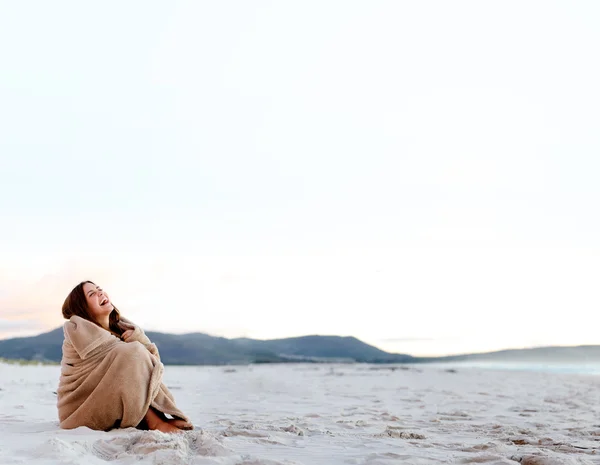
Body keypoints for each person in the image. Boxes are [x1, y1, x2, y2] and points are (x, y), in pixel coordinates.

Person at [57, 281, 192, 433]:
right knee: (130, 354)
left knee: (134, 356)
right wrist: (136, 344)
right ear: (82, 308)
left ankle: (159, 417)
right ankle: (155, 422)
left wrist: (138, 338)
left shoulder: (121, 329)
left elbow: (152, 364)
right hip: (79, 408)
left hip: (102, 399)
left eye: (99, 289)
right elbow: (129, 357)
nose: (100, 293)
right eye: (92, 294)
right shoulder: (78, 330)